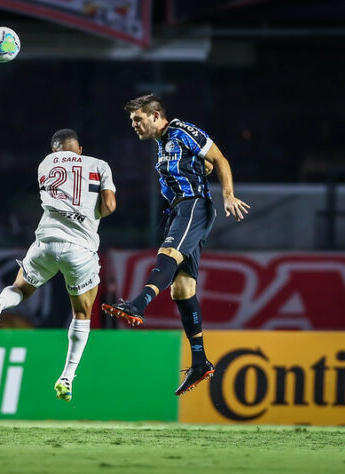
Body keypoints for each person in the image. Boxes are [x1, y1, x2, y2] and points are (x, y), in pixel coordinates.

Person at [102, 95, 249, 396]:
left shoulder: (183, 131)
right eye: (132, 121)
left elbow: (219, 158)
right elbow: (203, 163)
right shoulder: (163, 144)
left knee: (167, 254)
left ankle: (138, 304)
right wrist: (201, 165)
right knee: (183, 290)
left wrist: (228, 195)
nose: (134, 126)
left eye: (138, 119)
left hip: (194, 206)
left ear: (155, 116)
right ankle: (199, 362)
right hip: (180, 211)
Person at [0, 129, 116, 402]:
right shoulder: (100, 165)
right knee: (81, 315)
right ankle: (67, 377)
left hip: (45, 241)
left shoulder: (45, 164)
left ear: (54, 151)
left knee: (20, 288)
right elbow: (109, 206)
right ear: (79, 149)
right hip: (80, 248)